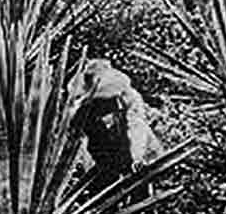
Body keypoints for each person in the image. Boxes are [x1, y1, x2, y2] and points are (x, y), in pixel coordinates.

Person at [69, 58, 162, 192]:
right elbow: (77, 137)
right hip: (102, 155)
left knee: (139, 184)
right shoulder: (83, 106)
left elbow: (137, 126)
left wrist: (137, 156)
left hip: (130, 147)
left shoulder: (129, 97)